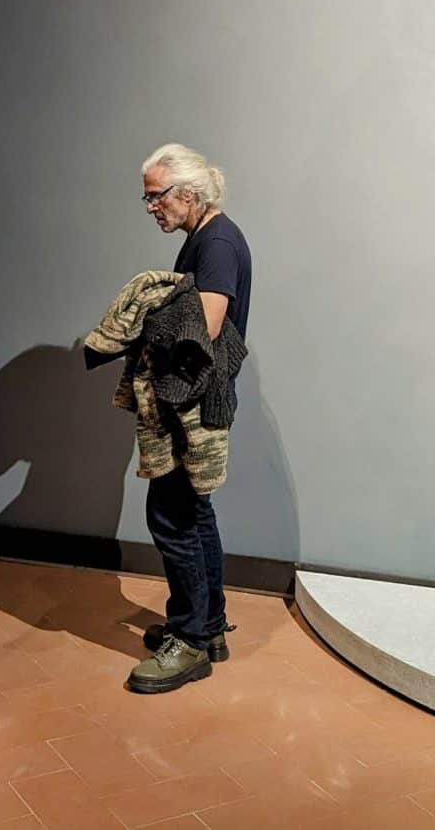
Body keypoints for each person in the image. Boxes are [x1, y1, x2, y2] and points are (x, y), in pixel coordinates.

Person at [127, 142, 253, 694]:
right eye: (148, 198)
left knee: (172, 517)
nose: (152, 207)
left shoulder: (217, 244)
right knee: (194, 514)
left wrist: (143, 310)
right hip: (195, 400)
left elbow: (204, 325)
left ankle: (190, 642)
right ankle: (209, 625)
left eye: (157, 196)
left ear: (190, 193)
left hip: (192, 404)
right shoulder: (205, 237)